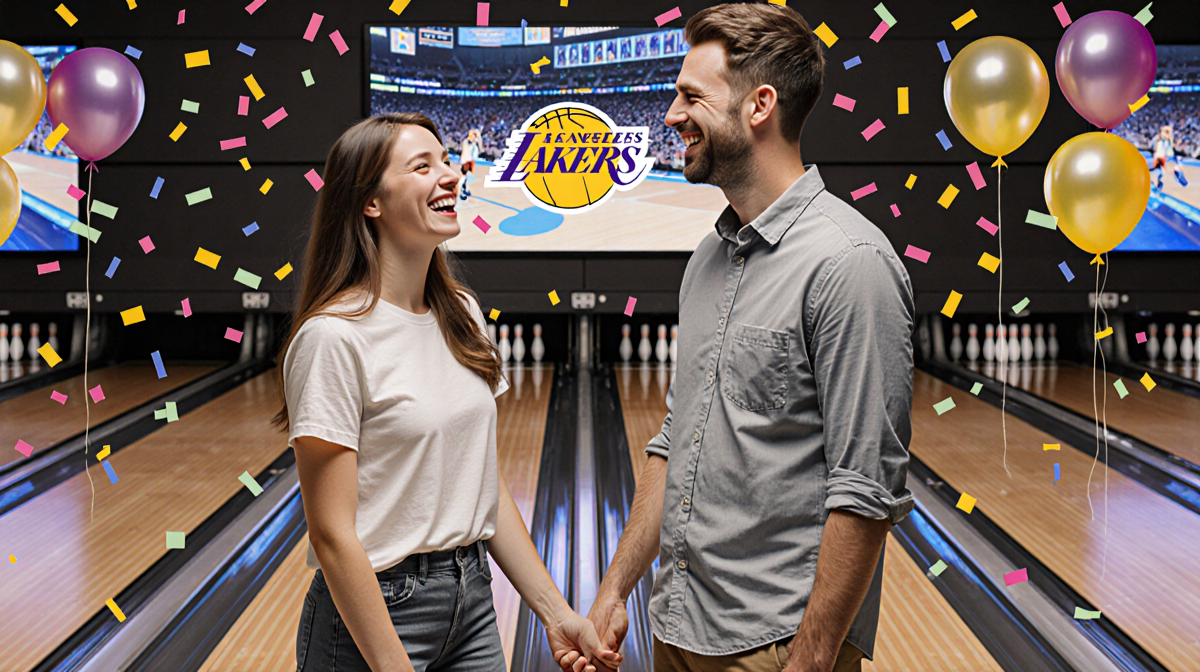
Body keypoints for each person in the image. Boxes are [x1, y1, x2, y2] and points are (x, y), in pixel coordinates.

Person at [587, 4, 915, 672]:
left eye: (691, 97)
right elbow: (675, 439)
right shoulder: (709, 257)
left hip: (771, 646)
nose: (673, 115)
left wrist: (813, 656)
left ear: (760, 104)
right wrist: (615, 588)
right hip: (677, 625)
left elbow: (867, 488)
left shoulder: (849, 263)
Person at [273, 112, 620, 672]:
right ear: (370, 203)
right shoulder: (332, 338)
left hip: (472, 600)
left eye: (445, 158)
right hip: (375, 614)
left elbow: (481, 486)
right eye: (422, 165)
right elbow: (332, 535)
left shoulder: (462, 312)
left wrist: (556, 615)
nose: (451, 174)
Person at [1151, 125, 1187, 190]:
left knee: (1170, 170)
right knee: (1164, 172)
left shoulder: (1166, 140)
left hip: (1168, 156)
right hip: (1166, 157)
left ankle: (1179, 178)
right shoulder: (1161, 141)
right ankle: (1159, 185)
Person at [458, 128, 481, 201]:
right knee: (464, 176)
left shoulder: (472, 142)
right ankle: (461, 192)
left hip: (470, 161)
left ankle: (465, 189)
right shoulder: (468, 142)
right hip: (467, 161)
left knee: (467, 176)